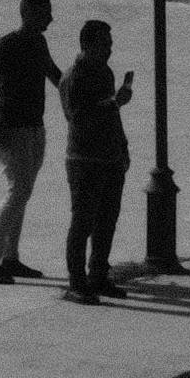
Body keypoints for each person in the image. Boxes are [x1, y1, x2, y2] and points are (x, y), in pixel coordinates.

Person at [0, 0, 57, 282]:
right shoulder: (6, 46)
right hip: (14, 130)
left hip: (35, 128)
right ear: (28, 13)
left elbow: (54, 75)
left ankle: (10, 258)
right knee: (17, 192)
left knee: (23, 193)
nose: (50, 19)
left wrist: (80, 95)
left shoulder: (39, 43)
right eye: (45, 13)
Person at [58, 16, 135, 300]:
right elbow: (76, 117)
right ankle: (76, 283)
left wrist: (123, 147)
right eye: (104, 44)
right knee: (83, 222)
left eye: (111, 44)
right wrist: (115, 102)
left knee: (107, 220)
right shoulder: (73, 78)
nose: (109, 50)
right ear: (87, 45)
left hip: (110, 158)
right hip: (84, 160)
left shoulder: (105, 73)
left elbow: (112, 115)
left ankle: (98, 275)